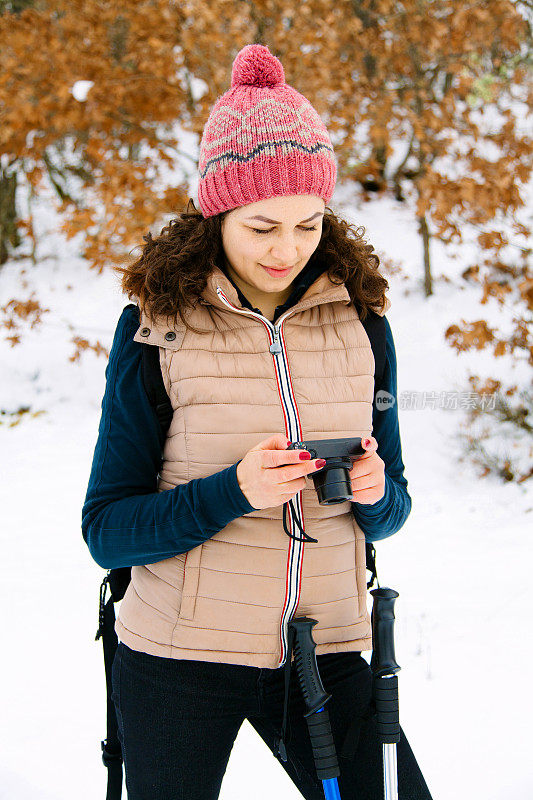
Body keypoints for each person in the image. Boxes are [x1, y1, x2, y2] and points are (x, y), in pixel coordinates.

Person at [82, 44, 432, 800]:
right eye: (261, 227)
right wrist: (232, 492)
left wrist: (374, 493)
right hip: (178, 656)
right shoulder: (155, 326)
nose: (287, 249)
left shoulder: (362, 321)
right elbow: (106, 530)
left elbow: (392, 510)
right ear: (217, 216)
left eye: (308, 225)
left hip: (328, 647)